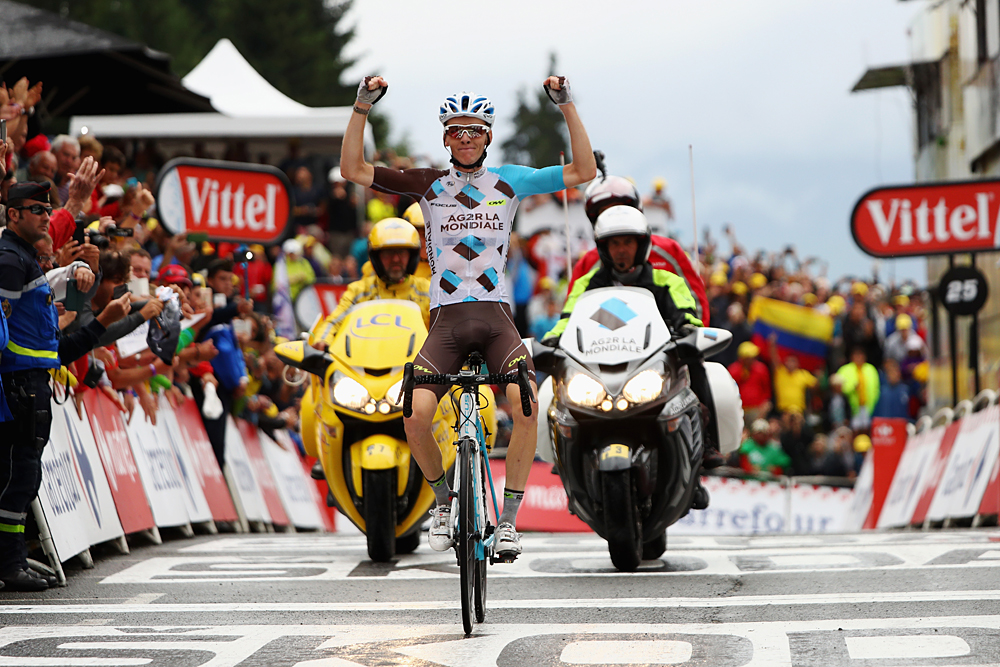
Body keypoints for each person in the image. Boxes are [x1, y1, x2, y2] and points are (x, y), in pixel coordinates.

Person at [339, 74, 596, 558]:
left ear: (488, 136)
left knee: (525, 403)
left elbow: (582, 171)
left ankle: (510, 524)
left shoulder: (510, 181)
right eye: (456, 130)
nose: (465, 138)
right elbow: (352, 169)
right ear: (444, 138)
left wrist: (566, 106)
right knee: (414, 416)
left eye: (474, 130)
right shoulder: (428, 185)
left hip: (497, 319)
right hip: (447, 324)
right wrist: (361, 108)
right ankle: (442, 502)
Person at [0, 181, 128, 591]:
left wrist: (98, 316)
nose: (44, 215)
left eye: (47, 209)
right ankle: (8, 563)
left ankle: (11, 560)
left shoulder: (26, 259)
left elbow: (52, 351)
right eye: (36, 209)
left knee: (24, 476)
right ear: (13, 214)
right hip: (16, 383)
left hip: (33, 381)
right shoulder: (9, 259)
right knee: (16, 477)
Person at [541, 206, 720, 482]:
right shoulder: (587, 283)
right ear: (604, 248)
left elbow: (687, 313)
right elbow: (567, 318)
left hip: (653, 365)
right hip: (599, 366)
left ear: (642, 244)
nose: (621, 249)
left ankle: (707, 443)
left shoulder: (667, 280)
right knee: (558, 371)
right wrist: (552, 339)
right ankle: (565, 454)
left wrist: (688, 329)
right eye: (614, 243)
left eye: (628, 242)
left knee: (694, 357)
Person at [566, 175, 710, 325]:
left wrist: (694, 339)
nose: (614, 217)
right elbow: (569, 319)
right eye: (605, 212)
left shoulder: (669, 251)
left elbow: (695, 302)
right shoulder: (587, 265)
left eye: (622, 209)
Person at [314, 218, 431, 344]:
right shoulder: (359, 291)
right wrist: (322, 341)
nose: (396, 259)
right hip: (366, 361)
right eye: (388, 253)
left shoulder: (428, 291)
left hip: (417, 362)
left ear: (412, 256)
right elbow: (334, 322)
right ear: (376, 258)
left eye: (401, 253)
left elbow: (445, 331)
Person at [361, 202, 431, 280]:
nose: (427, 241)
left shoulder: (445, 268)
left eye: (432, 236)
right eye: (422, 235)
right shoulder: (378, 267)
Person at [835, 346, 880, 432]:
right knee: (854, 429)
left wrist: (874, 400)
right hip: (851, 406)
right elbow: (839, 387)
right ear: (852, 357)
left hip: (868, 405)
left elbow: (876, 387)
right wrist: (852, 388)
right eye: (856, 355)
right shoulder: (845, 369)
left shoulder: (871, 369)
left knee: (867, 428)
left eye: (860, 355)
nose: (859, 357)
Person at [728, 341, 771, 427]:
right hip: (738, 409)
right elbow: (730, 392)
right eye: (748, 357)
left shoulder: (761, 369)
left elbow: (767, 391)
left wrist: (764, 408)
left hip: (756, 410)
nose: (751, 360)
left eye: (753, 357)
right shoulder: (733, 370)